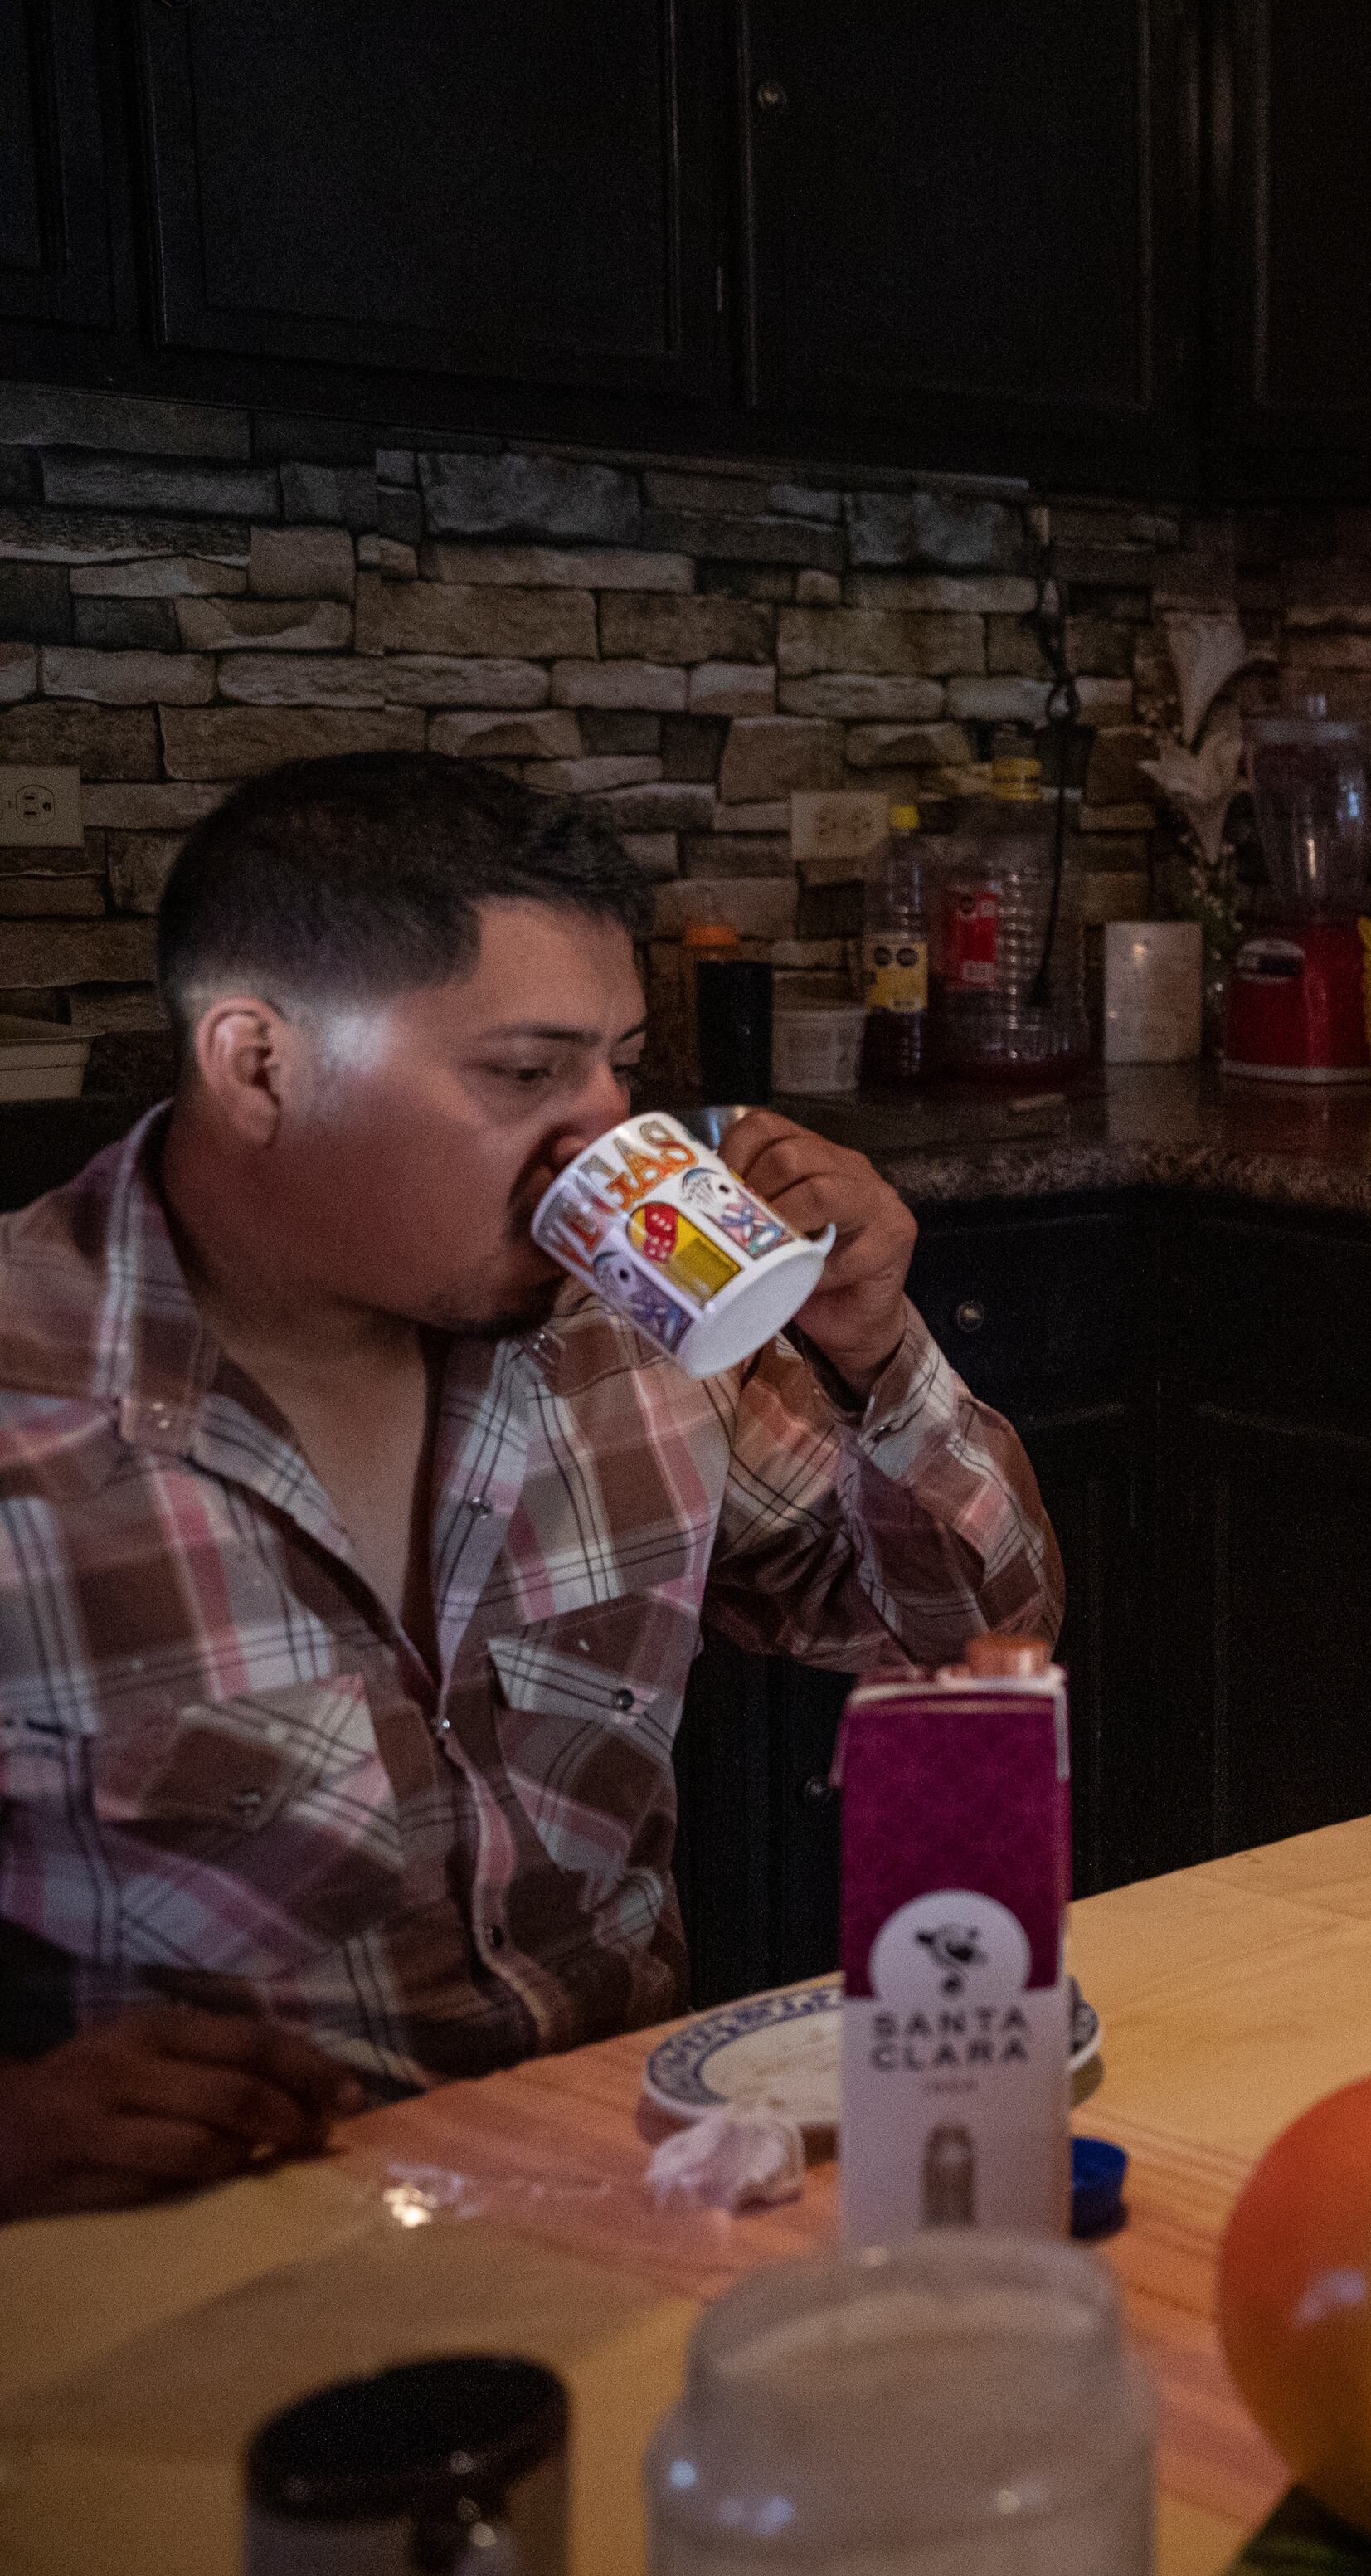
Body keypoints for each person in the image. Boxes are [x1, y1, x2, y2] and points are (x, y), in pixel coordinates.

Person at [0, 755, 1059, 2220]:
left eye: (619, 1064)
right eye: (524, 1072)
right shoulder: (29, 1411)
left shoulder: (625, 1328)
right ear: (258, 1064)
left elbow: (966, 1643)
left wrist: (873, 1351)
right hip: (208, 2261)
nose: (607, 1136)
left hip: (627, 2192)